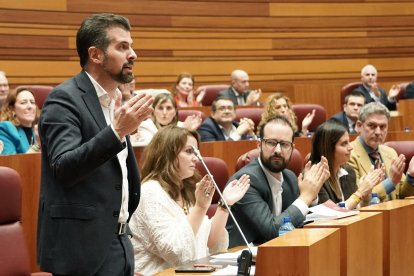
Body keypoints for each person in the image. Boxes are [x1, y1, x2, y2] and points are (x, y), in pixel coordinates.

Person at [36, 13, 154, 276]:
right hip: (81, 252)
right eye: (122, 46)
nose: (133, 54)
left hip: (120, 244)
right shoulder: (63, 99)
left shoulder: (114, 103)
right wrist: (117, 132)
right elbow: (63, 167)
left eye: (131, 46)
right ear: (96, 55)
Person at [129, 126, 250, 275]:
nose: (196, 158)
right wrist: (200, 207)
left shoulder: (186, 190)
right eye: (189, 151)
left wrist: (225, 204)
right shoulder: (150, 192)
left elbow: (209, 243)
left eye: (196, 152)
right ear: (167, 154)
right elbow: (177, 254)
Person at [226, 115, 330, 247]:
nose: (278, 150)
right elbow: (273, 231)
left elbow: (298, 222)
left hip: (279, 255)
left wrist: (313, 195)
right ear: (259, 145)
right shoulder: (246, 181)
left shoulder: (290, 177)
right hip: (241, 261)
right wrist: (306, 197)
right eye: (271, 143)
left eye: (285, 144)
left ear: (292, 147)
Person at [348, 102, 414, 202]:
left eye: (382, 127)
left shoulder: (390, 152)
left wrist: (410, 176)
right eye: (372, 126)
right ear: (358, 126)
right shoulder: (349, 154)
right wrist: (390, 182)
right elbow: (357, 198)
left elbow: (401, 195)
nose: (378, 132)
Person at [310, 121, 383, 209]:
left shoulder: (348, 171)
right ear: (328, 148)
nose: (350, 147)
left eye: (349, 142)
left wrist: (366, 197)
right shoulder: (314, 177)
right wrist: (360, 192)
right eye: (344, 144)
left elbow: (355, 209)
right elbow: (331, 214)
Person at [132, 93, 202, 146]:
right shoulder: (146, 126)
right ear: (153, 111)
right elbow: (152, 150)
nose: (164, 112)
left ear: (175, 112)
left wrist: (189, 132)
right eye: (160, 108)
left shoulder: (182, 126)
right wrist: (182, 133)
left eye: (169, 108)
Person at [0, 87, 40, 154]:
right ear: (12, 109)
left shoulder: (37, 130)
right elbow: (11, 162)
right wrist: (38, 145)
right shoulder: (6, 128)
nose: (30, 106)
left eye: (32, 102)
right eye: (23, 103)